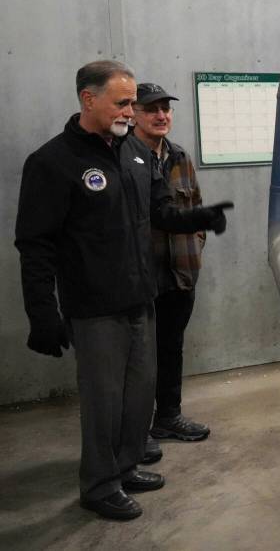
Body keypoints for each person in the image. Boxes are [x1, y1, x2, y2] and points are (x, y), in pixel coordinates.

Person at [15, 60, 232, 521]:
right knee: (104, 402)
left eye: (132, 102)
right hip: (94, 309)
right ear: (88, 99)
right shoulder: (53, 163)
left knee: (139, 396)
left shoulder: (133, 155)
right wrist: (42, 313)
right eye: (123, 102)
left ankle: (126, 466)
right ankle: (98, 484)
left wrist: (198, 217)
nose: (131, 111)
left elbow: (160, 213)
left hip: (142, 298)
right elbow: (35, 246)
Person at [131, 83, 211, 464]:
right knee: (138, 356)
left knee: (171, 348)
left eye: (165, 109)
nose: (161, 115)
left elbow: (194, 204)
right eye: (152, 109)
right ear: (133, 113)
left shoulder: (179, 156)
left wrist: (195, 243)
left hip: (180, 273)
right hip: (139, 278)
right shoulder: (121, 157)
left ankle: (168, 417)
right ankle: (137, 431)